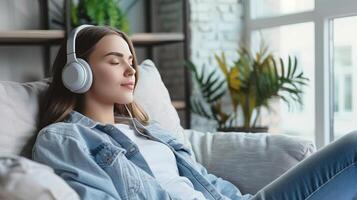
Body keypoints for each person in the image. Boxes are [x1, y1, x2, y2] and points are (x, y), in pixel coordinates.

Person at [32, 25, 357, 200]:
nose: (130, 70)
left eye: (131, 61)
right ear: (77, 73)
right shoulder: (64, 138)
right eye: (115, 61)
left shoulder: (149, 129)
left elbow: (204, 180)